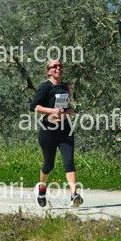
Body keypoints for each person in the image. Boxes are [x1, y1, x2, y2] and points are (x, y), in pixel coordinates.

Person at [30, 60, 83, 208]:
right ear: (48, 71)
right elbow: (34, 107)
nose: (58, 68)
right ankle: (42, 189)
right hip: (48, 129)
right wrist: (52, 111)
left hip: (65, 128)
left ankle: (74, 195)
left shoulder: (65, 86)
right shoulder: (45, 87)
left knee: (69, 162)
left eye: (60, 66)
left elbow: (66, 104)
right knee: (49, 164)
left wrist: (70, 110)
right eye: (54, 66)